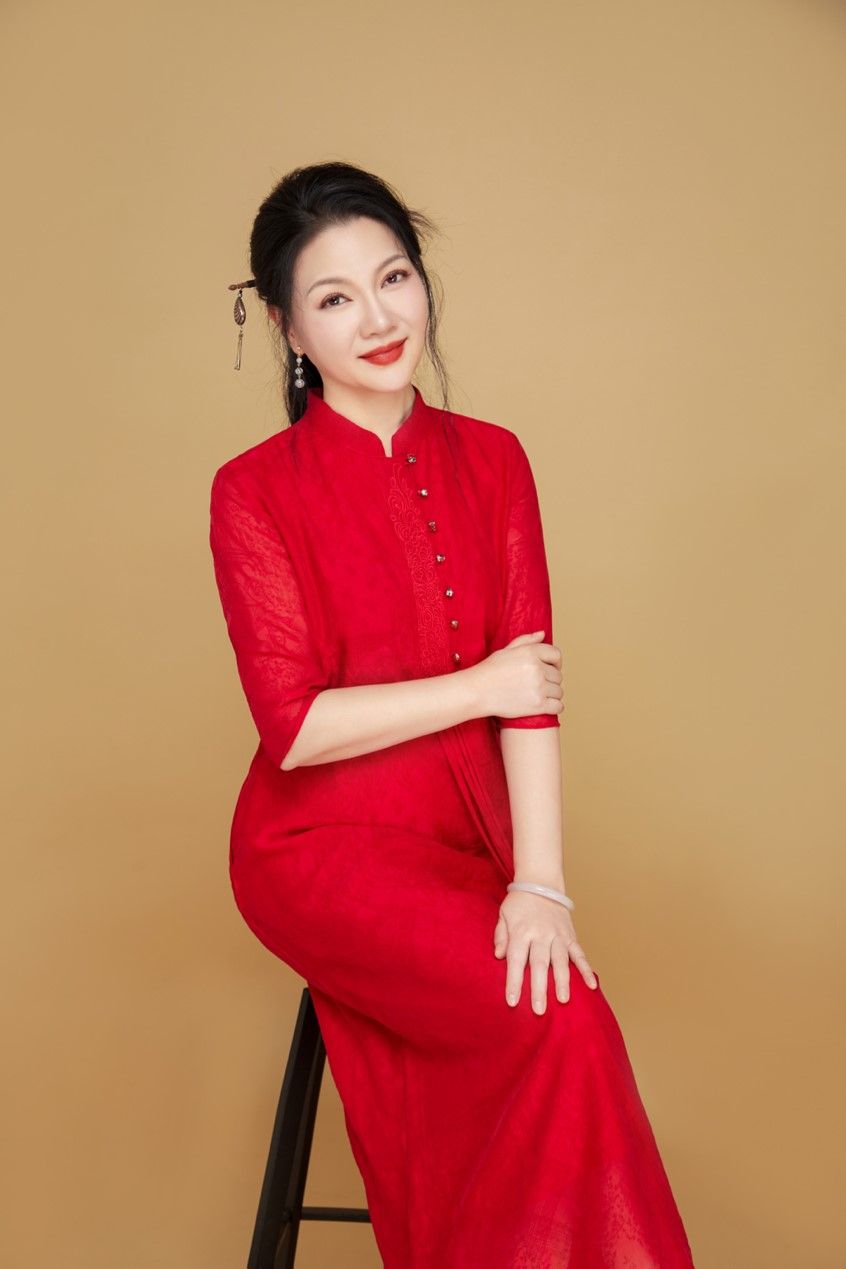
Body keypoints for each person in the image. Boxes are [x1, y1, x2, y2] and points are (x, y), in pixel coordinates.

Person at [209, 160, 695, 1268]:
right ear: (287, 325)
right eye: (335, 298)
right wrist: (481, 686)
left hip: (470, 839)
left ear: (423, 280)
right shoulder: (254, 489)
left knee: (558, 1017)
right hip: (314, 848)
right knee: (560, 1025)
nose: (379, 319)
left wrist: (542, 883)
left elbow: (535, 704)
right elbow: (295, 727)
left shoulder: (496, 459)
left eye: (394, 278)